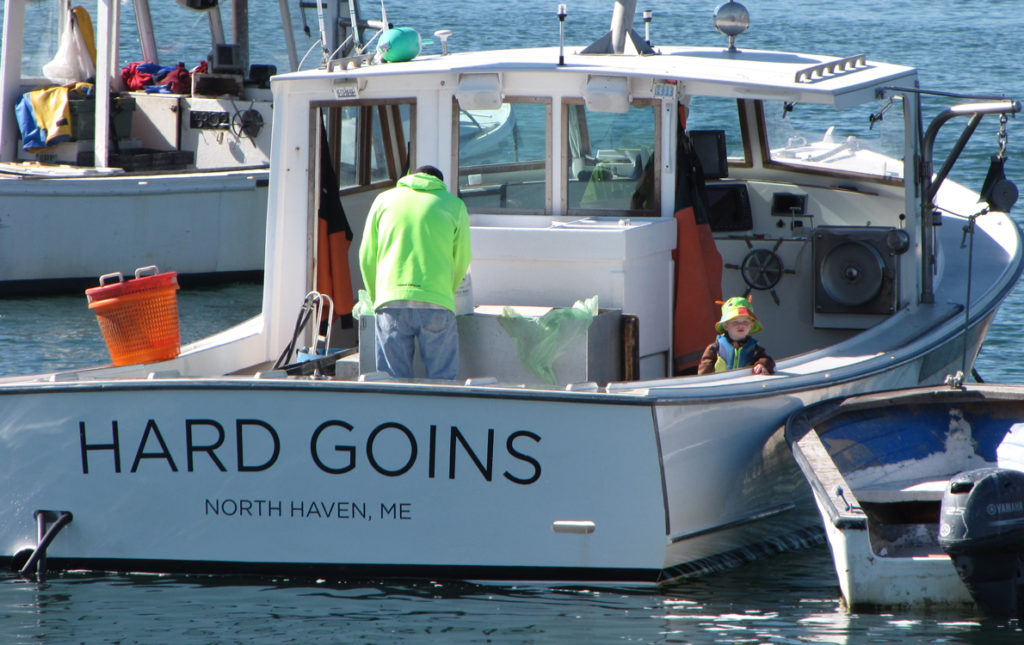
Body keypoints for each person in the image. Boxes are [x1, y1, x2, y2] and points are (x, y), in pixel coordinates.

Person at [359, 165, 472, 380]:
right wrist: (446, 293)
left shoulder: (383, 200)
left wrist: (377, 298)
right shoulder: (453, 205)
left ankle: (394, 414)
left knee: (392, 381)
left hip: (390, 301)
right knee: (442, 381)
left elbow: (366, 256)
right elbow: (463, 259)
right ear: (440, 183)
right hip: (437, 301)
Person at [697, 296, 775, 376]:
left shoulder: (755, 349)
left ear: (751, 326)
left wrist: (762, 364)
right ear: (725, 326)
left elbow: (769, 361)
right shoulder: (714, 348)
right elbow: (703, 373)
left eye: (745, 322)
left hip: (745, 385)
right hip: (721, 385)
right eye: (735, 322)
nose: (740, 325)